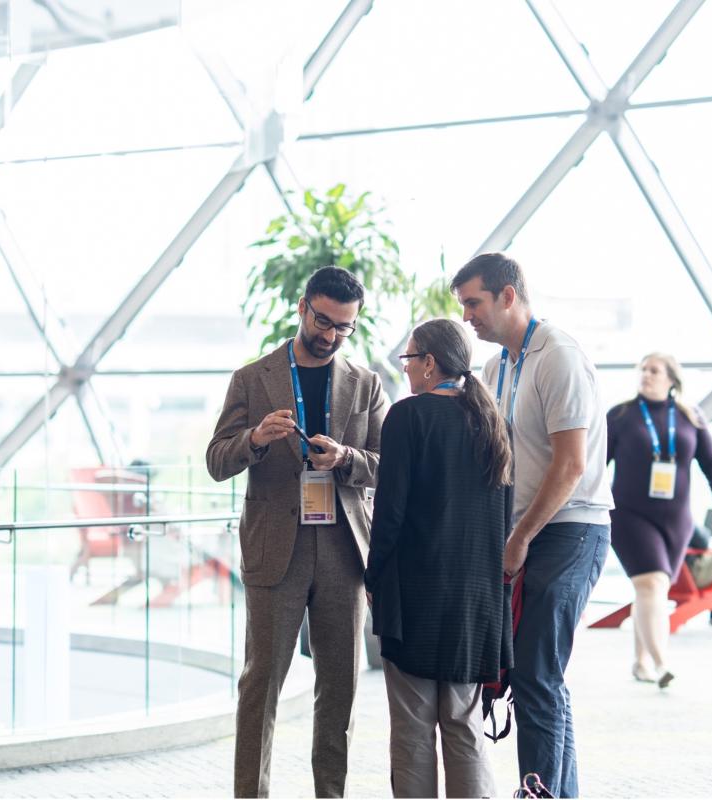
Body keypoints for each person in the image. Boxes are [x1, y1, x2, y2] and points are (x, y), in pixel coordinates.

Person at [206, 266, 389, 798]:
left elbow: (388, 464)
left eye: (344, 327)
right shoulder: (251, 378)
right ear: (303, 308)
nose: (331, 335)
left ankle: (330, 793)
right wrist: (255, 439)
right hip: (274, 552)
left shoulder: (367, 383)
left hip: (343, 551)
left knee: (341, 689)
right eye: (324, 321)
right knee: (260, 683)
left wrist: (347, 458)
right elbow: (217, 460)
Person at [452, 252, 613, 799]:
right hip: (523, 531)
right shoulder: (499, 367)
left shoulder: (557, 356)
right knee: (534, 678)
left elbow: (571, 466)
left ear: (507, 296)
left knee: (537, 674)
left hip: (571, 530)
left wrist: (518, 540)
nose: (467, 316)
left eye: (473, 302)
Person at [364, 318, 513, 798]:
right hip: (474, 600)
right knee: (464, 725)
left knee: (412, 729)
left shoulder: (409, 416)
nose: (405, 370)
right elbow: (501, 518)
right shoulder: (491, 420)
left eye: (409, 360)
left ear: (429, 363)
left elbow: (390, 514)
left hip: (416, 595)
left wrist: (374, 577)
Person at [605, 353, 712, 686]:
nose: (646, 375)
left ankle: (640, 662)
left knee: (651, 591)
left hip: (676, 521)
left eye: (654, 370)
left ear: (671, 379)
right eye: (642, 369)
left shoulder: (691, 416)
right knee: (651, 584)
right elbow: (596, 464)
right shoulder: (621, 415)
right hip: (630, 516)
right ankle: (661, 662)